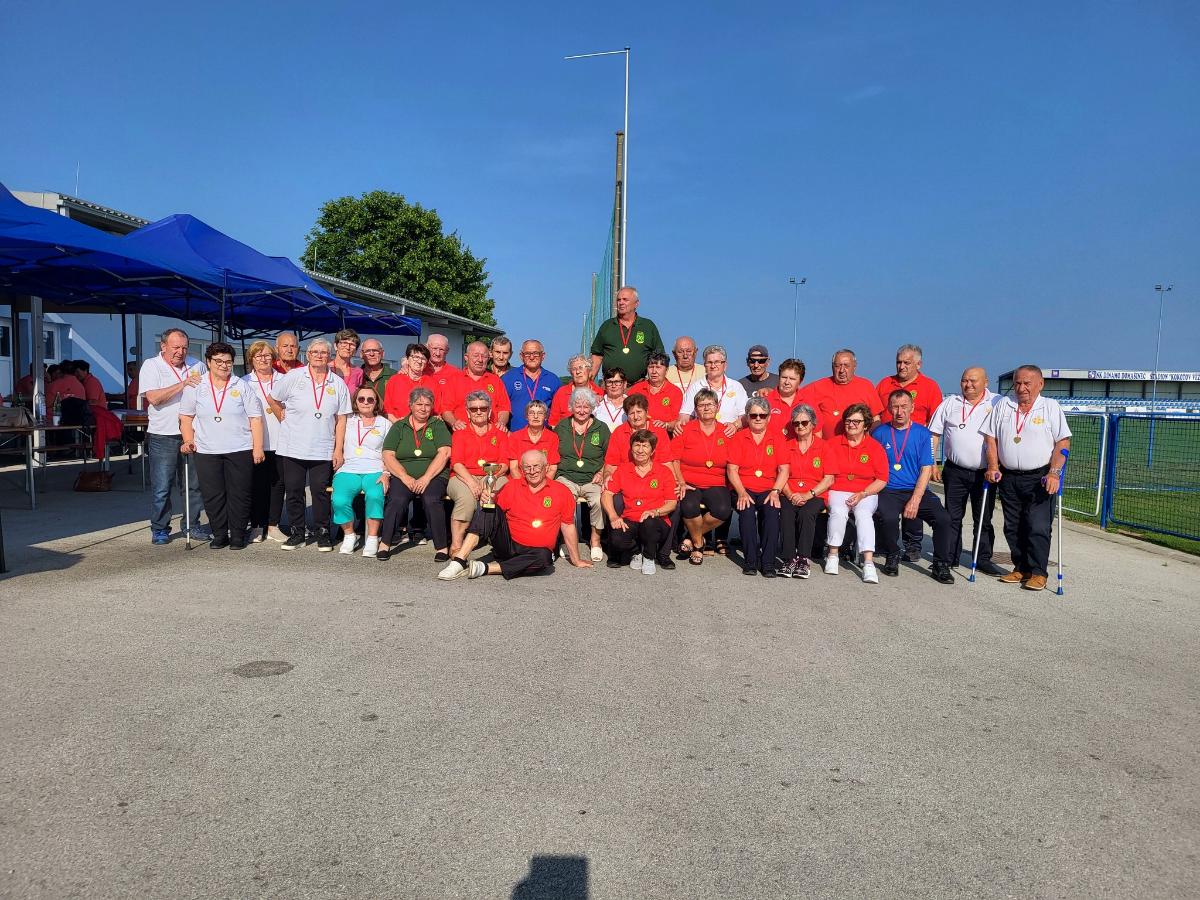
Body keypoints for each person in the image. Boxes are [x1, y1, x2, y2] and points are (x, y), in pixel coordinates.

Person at [982, 365, 1072, 592]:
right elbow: (990, 438)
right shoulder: (1004, 404)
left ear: (1040, 384)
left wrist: (1054, 473)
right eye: (1018, 383)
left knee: (1037, 526)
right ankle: (1021, 568)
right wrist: (993, 466)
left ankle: (1039, 572)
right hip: (1009, 476)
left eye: (1027, 383)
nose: (1021, 388)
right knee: (1012, 526)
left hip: (1040, 477)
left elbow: (1062, 443)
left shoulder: (1050, 407)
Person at [437, 450, 591, 580]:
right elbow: (491, 515)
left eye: (536, 466)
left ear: (546, 467)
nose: (532, 471)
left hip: (536, 552)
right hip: (508, 545)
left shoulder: (562, 491)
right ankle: (459, 561)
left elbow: (568, 526)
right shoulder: (512, 487)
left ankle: (485, 568)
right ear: (522, 470)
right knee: (489, 509)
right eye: (527, 467)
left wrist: (576, 559)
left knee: (545, 558)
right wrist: (487, 498)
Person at [267, 338, 352, 551]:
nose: (319, 356)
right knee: (294, 491)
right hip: (293, 446)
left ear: (329, 356)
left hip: (323, 448)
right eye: (315, 352)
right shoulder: (294, 376)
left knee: (320, 492)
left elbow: (342, 419)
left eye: (323, 352)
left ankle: (323, 532)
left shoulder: (337, 383)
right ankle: (297, 532)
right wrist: (281, 417)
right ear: (308, 355)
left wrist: (339, 449)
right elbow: (273, 398)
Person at [179, 342, 264, 550]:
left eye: (228, 362)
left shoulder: (241, 385)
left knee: (240, 494)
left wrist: (258, 447)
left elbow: (255, 418)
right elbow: (186, 416)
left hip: (239, 448)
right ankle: (219, 534)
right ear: (208, 362)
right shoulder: (196, 386)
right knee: (213, 495)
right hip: (207, 450)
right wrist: (188, 440)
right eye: (218, 361)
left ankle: (237, 535)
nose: (224, 365)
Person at [871, 390, 956, 584]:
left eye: (904, 407)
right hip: (889, 489)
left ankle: (941, 564)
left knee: (943, 519)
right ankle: (892, 554)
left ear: (912, 408)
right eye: (895, 407)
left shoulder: (923, 434)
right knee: (888, 518)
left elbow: (926, 469)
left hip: (916, 488)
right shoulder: (879, 433)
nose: (899, 412)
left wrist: (915, 500)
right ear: (889, 409)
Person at [929, 367, 1004, 575]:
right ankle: (949, 556)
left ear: (986, 382)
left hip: (985, 472)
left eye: (973, 380)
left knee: (983, 518)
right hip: (955, 470)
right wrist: (932, 463)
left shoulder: (997, 402)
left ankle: (982, 559)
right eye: (964, 380)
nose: (968, 384)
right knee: (952, 516)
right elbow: (934, 434)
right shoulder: (950, 403)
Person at [138, 328, 208, 545]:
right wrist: (183, 384)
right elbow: (154, 398)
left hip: (192, 434)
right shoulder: (151, 365)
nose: (181, 352)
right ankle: (160, 528)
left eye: (185, 348)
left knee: (193, 485)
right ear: (163, 346)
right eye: (176, 347)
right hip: (163, 434)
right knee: (162, 486)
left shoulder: (198, 365)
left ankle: (192, 525)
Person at [379, 387, 453, 562]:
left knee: (431, 499)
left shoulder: (438, 425)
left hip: (434, 475)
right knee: (397, 499)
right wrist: (405, 477)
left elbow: (444, 453)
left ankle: (442, 547)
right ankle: (385, 543)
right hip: (403, 475)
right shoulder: (399, 426)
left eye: (427, 405)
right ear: (410, 405)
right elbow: (388, 455)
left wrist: (426, 478)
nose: (423, 408)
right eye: (419, 404)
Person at [822, 404, 889, 583]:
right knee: (838, 511)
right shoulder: (832, 444)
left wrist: (862, 493)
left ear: (866, 425)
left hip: (866, 491)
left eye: (856, 421)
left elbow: (882, 479)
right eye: (848, 421)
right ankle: (833, 555)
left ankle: (868, 562)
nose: (851, 424)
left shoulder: (875, 447)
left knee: (863, 514)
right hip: (838, 488)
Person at [727, 396, 789, 577]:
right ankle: (750, 561)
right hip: (743, 487)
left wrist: (776, 491)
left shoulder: (778, 438)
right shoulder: (739, 438)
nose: (758, 419)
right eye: (753, 415)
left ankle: (768, 563)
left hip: (769, 488)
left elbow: (784, 469)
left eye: (763, 415)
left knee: (771, 512)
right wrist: (741, 492)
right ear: (747, 417)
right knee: (746, 512)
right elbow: (732, 470)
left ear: (769, 417)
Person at [602, 430, 678, 575]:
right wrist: (613, 516)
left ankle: (649, 557)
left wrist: (656, 511)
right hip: (630, 519)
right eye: (637, 445)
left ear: (652, 451)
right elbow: (607, 493)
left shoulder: (663, 472)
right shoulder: (623, 470)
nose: (640, 450)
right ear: (631, 448)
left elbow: (672, 503)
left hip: (656, 521)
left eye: (645, 446)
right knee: (617, 538)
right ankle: (636, 552)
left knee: (649, 523)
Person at [446, 390, 511, 556]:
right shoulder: (460, 433)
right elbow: (457, 464)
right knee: (466, 499)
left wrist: (490, 479)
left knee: (494, 495)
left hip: (495, 474)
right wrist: (472, 483)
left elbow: (504, 464)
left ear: (490, 411)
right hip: (463, 476)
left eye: (483, 408)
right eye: (474, 409)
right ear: (468, 412)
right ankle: (456, 545)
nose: (479, 412)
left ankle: (497, 539)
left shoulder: (500, 433)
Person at [675, 388, 734, 565]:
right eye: (701, 405)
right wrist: (681, 482)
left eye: (710, 404)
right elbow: (674, 459)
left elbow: (734, 463)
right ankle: (699, 545)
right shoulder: (685, 429)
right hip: (689, 482)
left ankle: (690, 537)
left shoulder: (727, 432)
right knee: (689, 506)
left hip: (716, 481)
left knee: (723, 510)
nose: (706, 408)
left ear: (717, 407)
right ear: (696, 409)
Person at [332, 388, 392, 557]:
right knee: (339, 500)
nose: (365, 402)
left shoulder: (385, 423)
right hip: (348, 469)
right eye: (361, 399)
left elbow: (389, 451)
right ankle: (349, 535)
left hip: (375, 470)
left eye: (370, 399)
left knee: (375, 496)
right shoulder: (346, 420)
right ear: (355, 401)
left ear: (376, 402)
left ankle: (372, 538)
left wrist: (386, 473)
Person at [553, 388, 609, 563]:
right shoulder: (562, 426)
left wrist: (602, 472)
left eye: (586, 406)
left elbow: (610, 457)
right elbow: (553, 453)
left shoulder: (601, 428)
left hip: (593, 478)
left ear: (592, 408)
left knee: (599, 501)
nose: (582, 410)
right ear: (571, 407)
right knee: (564, 501)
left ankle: (595, 540)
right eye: (578, 406)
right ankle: (565, 540)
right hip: (566, 476)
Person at [778, 402, 832, 579]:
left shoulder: (824, 447)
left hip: (815, 493)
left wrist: (808, 494)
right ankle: (788, 559)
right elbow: (780, 473)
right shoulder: (786, 445)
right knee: (786, 512)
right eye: (796, 423)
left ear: (813, 424)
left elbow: (829, 478)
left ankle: (803, 559)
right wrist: (789, 494)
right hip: (789, 491)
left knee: (806, 513)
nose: (800, 426)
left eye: (804, 422)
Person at [242, 341, 286, 542]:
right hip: (255, 443)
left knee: (278, 485)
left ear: (273, 358)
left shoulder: (284, 380)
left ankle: (273, 525)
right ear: (251, 359)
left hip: (281, 441)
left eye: (267, 355)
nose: (263, 359)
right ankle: (257, 526)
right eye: (258, 356)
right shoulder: (244, 382)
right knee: (256, 485)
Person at [589, 285, 665, 385]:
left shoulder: (648, 326)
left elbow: (659, 357)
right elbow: (597, 356)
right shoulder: (607, 326)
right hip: (611, 386)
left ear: (636, 304)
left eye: (625, 300)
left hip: (639, 386)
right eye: (618, 300)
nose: (621, 303)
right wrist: (589, 382)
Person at [803, 349, 884, 439]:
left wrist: (874, 440)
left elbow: (875, 419)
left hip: (859, 445)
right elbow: (796, 397)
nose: (841, 370)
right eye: (837, 366)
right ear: (832, 367)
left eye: (846, 366)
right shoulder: (818, 386)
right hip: (827, 445)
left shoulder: (866, 386)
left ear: (854, 367)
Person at [603, 394, 681, 482]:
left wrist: (674, 481)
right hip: (627, 479)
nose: (636, 417)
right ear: (627, 415)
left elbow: (666, 462)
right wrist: (607, 476)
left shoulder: (659, 431)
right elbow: (611, 464)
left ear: (646, 412)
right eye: (632, 413)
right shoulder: (619, 432)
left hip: (654, 480)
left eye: (639, 412)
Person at [441, 341, 512, 431]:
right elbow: (445, 410)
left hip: (491, 434)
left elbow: (504, 408)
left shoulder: (496, 380)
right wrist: (454, 422)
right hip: (463, 433)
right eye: (476, 355)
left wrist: (501, 423)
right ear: (466, 357)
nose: (480, 360)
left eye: (484, 356)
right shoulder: (453, 380)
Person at [680, 345, 749, 435]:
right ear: (705, 366)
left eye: (717, 362)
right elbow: (685, 415)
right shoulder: (696, 387)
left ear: (725, 365)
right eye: (709, 362)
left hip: (730, 437)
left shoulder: (736, 387)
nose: (713, 366)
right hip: (702, 437)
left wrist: (735, 425)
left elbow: (746, 415)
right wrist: (681, 424)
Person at [876, 343, 943, 425]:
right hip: (886, 432)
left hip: (916, 433)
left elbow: (936, 421)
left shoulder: (930, 387)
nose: (901, 367)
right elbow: (874, 415)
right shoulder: (885, 383)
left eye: (906, 363)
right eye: (899, 362)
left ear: (918, 365)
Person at [502, 340, 559, 431]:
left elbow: (558, 411)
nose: (532, 357)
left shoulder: (553, 380)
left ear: (543, 356)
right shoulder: (508, 378)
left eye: (536, 354)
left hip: (543, 436)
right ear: (521, 356)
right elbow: (500, 407)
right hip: (514, 436)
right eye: (527, 354)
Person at [628, 351, 684, 431]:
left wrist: (666, 425)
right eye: (651, 367)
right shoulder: (636, 389)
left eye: (658, 367)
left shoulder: (675, 392)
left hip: (664, 434)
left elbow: (678, 421)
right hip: (639, 434)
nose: (654, 371)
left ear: (666, 370)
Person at [507, 400, 560, 481]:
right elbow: (513, 468)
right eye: (531, 413)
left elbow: (552, 469)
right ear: (526, 416)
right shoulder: (515, 437)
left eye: (540, 413)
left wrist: (541, 485)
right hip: (519, 481)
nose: (536, 416)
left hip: (544, 482)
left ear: (545, 417)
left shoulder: (552, 438)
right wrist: (523, 486)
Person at [382, 343, 435, 419]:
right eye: (416, 357)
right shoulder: (394, 380)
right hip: (397, 424)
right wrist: (399, 424)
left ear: (426, 363)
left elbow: (436, 412)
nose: (419, 361)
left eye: (423, 359)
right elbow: (387, 410)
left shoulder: (432, 384)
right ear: (407, 359)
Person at [548, 354, 603, 426]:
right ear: (571, 373)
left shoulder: (601, 393)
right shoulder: (561, 393)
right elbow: (553, 423)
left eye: (581, 368)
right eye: (574, 369)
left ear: (589, 371)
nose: (577, 372)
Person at [763, 358, 807, 440]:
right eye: (784, 377)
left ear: (800, 381)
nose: (787, 382)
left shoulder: (808, 403)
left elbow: (817, 434)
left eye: (792, 379)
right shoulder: (765, 401)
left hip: (797, 448)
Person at [424, 333, 461, 409]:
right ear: (427, 348)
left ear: (447, 351)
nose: (437, 353)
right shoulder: (419, 370)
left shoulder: (456, 373)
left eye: (441, 349)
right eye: (434, 348)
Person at [329, 328, 364, 395]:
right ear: (336, 346)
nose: (348, 347)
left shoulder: (358, 372)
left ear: (356, 350)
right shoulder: (326, 368)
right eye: (344, 343)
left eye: (352, 344)